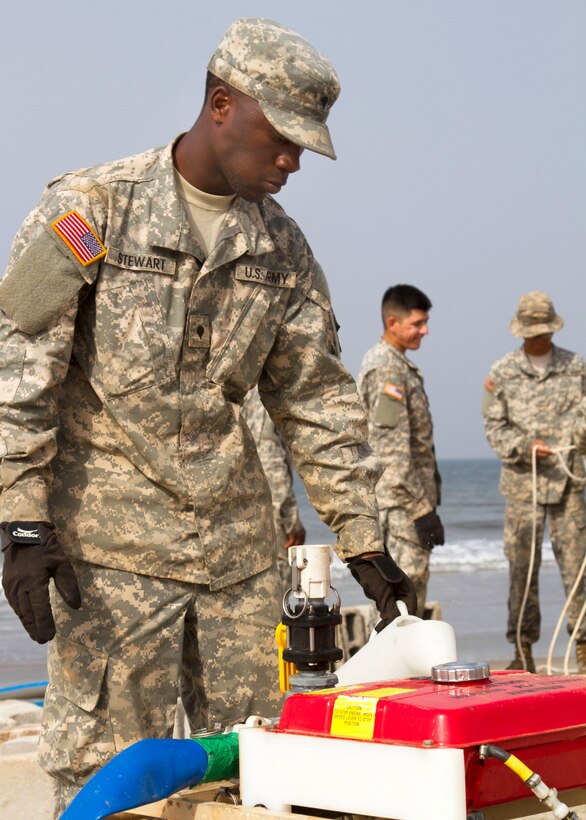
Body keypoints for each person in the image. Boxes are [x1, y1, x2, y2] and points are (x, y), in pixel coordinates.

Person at [0, 17, 416, 813]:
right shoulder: (92, 211)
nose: (292, 160)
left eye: (304, 146)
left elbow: (315, 400)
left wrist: (363, 538)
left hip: (238, 561)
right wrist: (21, 520)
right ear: (221, 104)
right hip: (111, 566)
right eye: (281, 138)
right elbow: (22, 375)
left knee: (260, 767)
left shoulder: (284, 252)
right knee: (108, 781)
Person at [483, 291, 586, 674]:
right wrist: (524, 446)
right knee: (521, 569)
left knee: (578, 570)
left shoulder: (578, 368)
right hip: (522, 486)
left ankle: (584, 649)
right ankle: (523, 650)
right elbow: (494, 427)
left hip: (568, 485)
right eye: (531, 332)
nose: (537, 338)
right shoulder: (502, 372)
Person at [358, 285, 443, 618]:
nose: (425, 330)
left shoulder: (395, 365)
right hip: (402, 503)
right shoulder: (388, 370)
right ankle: (395, 669)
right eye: (417, 323)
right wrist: (421, 510)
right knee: (406, 598)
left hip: (402, 500)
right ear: (392, 322)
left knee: (401, 599)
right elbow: (391, 450)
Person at [241, 387, 306, 593]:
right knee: (279, 596)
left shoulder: (245, 384)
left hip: (243, 507)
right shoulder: (265, 390)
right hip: (267, 510)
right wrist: (291, 521)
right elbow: (270, 460)